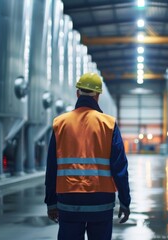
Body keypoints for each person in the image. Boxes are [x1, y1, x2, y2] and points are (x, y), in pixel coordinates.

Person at [45, 72, 131, 240]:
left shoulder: (60, 123)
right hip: (101, 203)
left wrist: (51, 202)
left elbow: (52, 167)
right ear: (98, 96)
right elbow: (120, 168)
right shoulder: (108, 124)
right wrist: (125, 201)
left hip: (69, 202)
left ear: (77, 93)